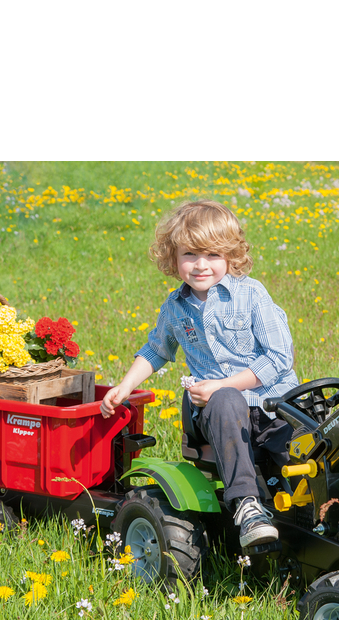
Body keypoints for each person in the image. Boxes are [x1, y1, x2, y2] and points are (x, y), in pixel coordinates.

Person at [100, 200, 299, 548]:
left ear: (231, 256)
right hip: (216, 411)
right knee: (226, 399)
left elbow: (280, 357)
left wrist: (227, 383)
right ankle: (247, 506)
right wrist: (125, 386)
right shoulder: (176, 307)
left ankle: (314, 516)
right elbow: (156, 350)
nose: (201, 265)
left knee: (311, 450)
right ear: (173, 257)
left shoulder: (252, 295)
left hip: (273, 407)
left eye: (212, 255)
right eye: (190, 254)